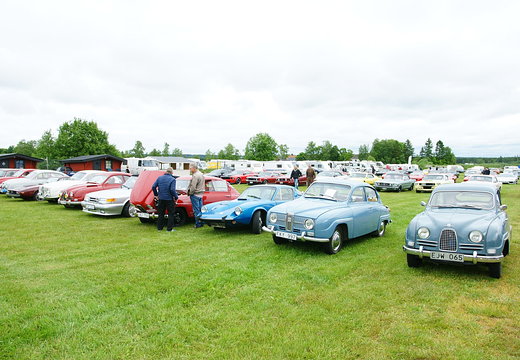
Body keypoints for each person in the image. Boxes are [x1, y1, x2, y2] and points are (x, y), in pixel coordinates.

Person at [151, 167, 178, 232]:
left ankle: (159, 228)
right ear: (172, 172)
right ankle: (169, 229)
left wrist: (156, 195)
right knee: (171, 214)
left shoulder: (159, 178)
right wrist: (176, 197)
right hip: (169, 199)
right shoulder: (172, 179)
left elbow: (153, 186)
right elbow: (172, 189)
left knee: (161, 213)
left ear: (166, 172)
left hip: (161, 198)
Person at [188, 163, 205, 228]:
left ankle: (198, 224)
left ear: (194, 168)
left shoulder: (195, 175)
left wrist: (190, 193)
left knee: (196, 210)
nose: (190, 169)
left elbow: (193, 186)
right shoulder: (201, 174)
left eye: (190, 168)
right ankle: (202, 222)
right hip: (201, 194)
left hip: (195, 194)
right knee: (200, 209)